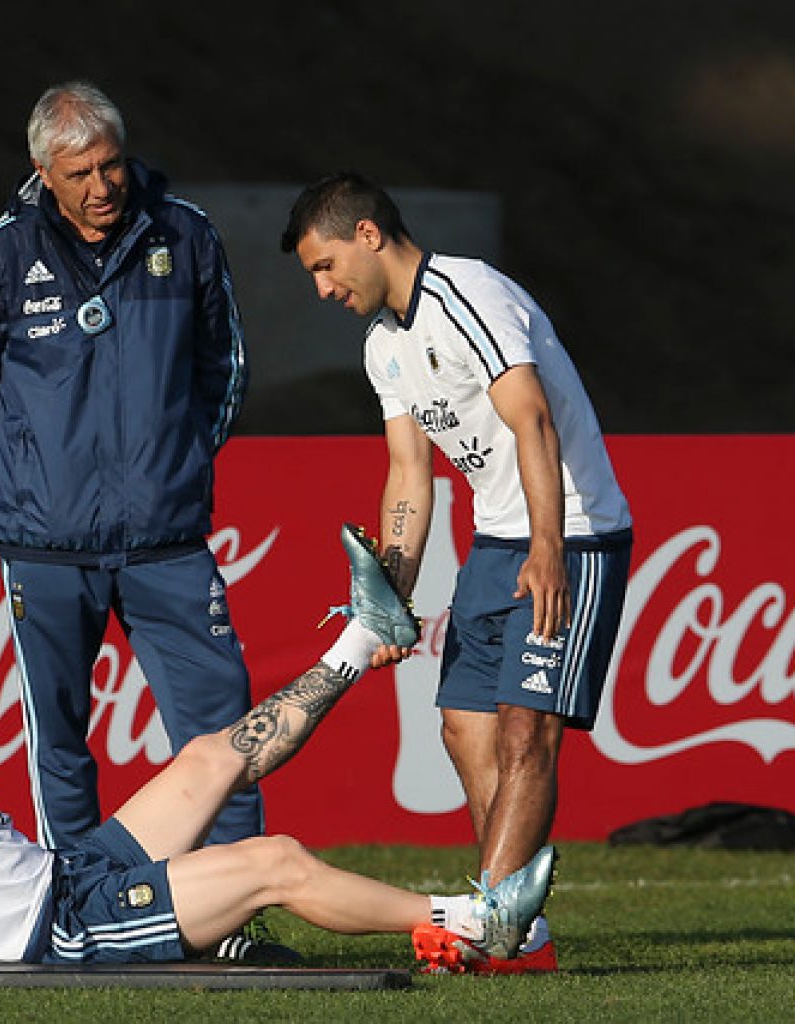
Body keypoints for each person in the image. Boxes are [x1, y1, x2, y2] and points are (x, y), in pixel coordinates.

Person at [0, 82, 281, 959]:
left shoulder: (185, 232)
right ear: (43, 172)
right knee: (61, 738)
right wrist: (12, 485)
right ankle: (82, 907)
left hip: (166, 540)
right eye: (80, 171)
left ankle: (231, 913)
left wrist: (178, 467)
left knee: (225, 729)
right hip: (42, 547)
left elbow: (223, 365)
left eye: (112, 163)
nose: (102, 185)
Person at [0, 528, 555, 968]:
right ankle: (474, 920)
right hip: (52, 929)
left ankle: (363, 636)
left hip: (65, 877)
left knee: (208, 759)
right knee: (273, 862)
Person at [282, 173, 633, 974]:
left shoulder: (469, 293)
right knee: (463, 730)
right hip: (495, 543)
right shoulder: (384, 346)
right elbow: (410, 474)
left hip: (570, 536)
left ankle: (488, 929)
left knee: (525, 734)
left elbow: (531, 416)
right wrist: (389, 605)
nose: (324, 287)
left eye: (326, 265)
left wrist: (549, 548)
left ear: (368, 235)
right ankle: (516, 926)